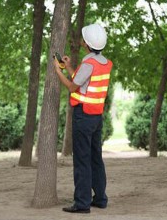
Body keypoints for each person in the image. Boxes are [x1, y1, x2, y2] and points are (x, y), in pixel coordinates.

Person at [53, 23, 113, 214]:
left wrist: (58, 70)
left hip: (83, 116)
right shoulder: (103, 63)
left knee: (82, 160)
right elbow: (82, 82)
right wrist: (69, 67)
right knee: (96, 158)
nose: (80, 41)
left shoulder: (88, 64)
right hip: (96, 117)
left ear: (87, 44)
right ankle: (100, 199)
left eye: (82, 39)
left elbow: (72, 87)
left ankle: (82, 203)